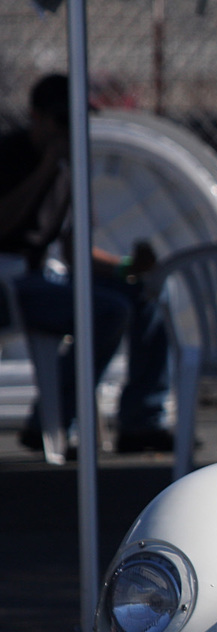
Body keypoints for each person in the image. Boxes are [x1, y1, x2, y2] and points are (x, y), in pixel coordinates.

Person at [0, 73, 172, 454]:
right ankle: (54, 417)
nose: (70, 130)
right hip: (8, 280)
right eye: (62, 120)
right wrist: (45, 170)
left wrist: (129, 268)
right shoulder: (11, 156)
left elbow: (74, 251)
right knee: (107, 312)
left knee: (147, 293)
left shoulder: (70, 168)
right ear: (37, 117)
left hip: (42, 275)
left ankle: (142, 421)